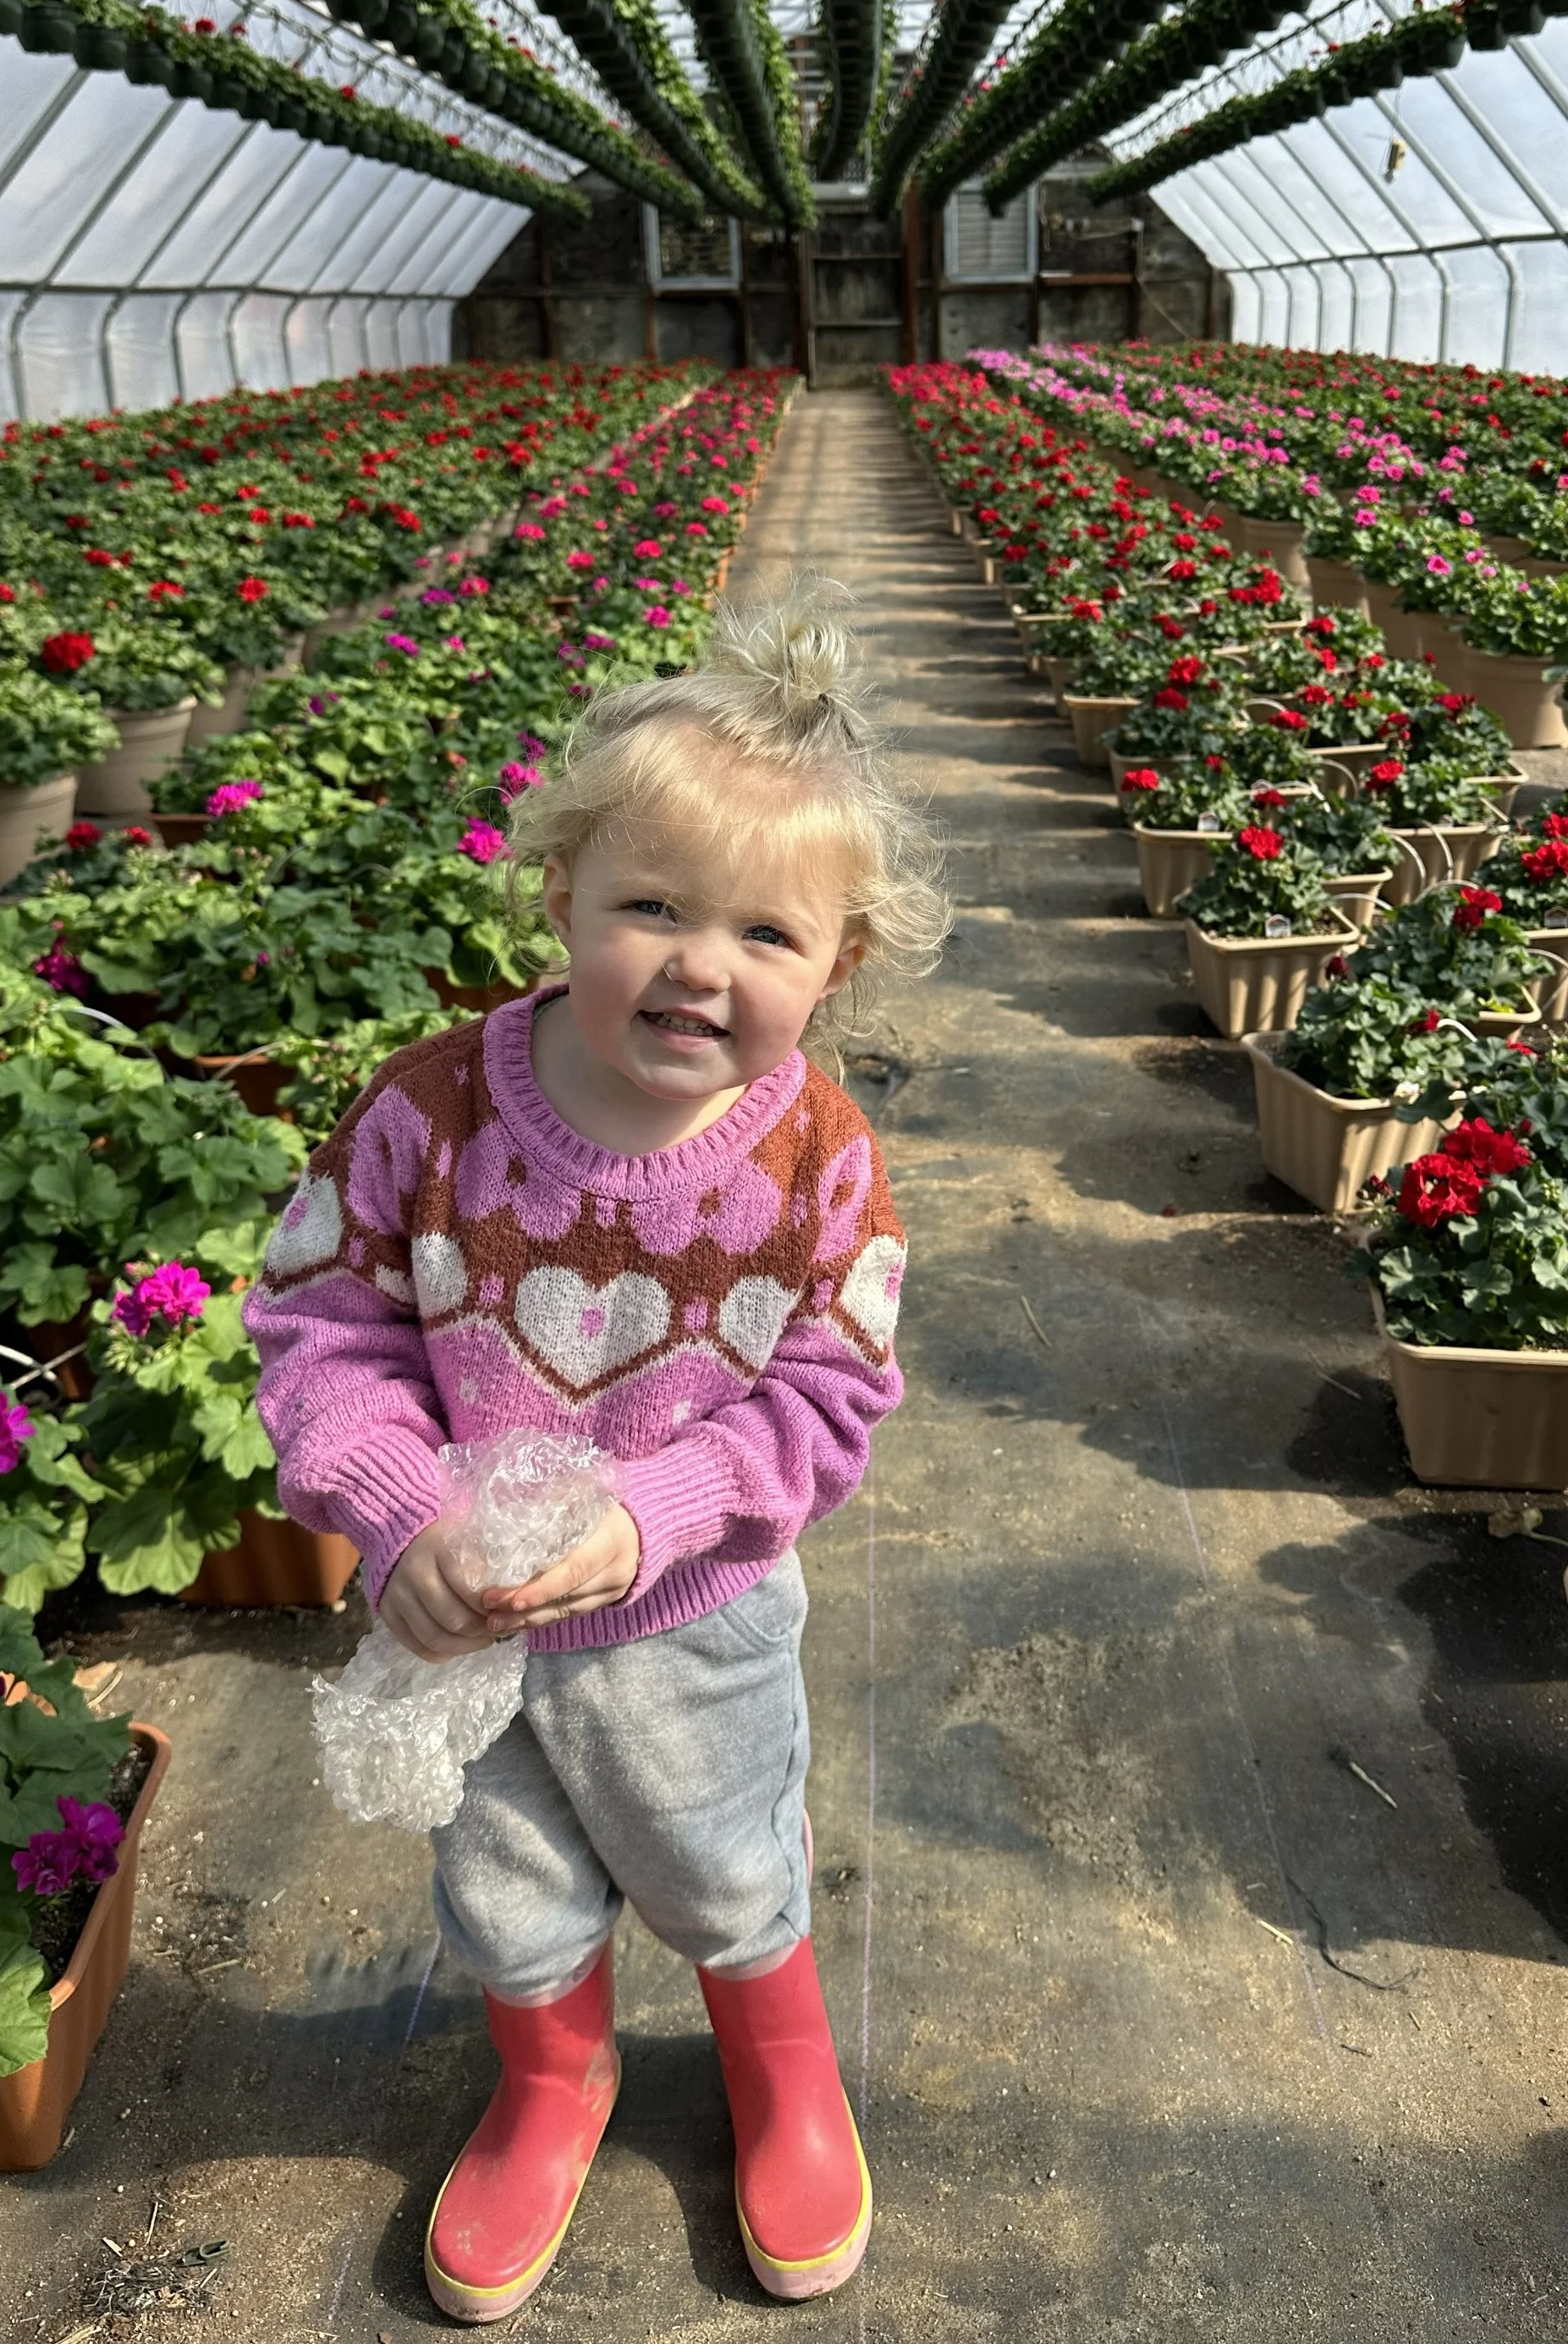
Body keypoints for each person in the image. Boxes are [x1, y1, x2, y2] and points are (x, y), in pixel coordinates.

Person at [245, 583, 949, 2324]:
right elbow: (317, 1318)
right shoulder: (430, 1110)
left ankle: (783, 2074)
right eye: (649, 907)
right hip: (462, 1614)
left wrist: (655, 1511)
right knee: (503, 1882)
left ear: (837, 963)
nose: (701, 965)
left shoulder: (820, 1165)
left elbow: (829, 1393)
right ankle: (550, 2079)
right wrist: (398, 1507)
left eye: (766, 937)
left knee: (723, 1858)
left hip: (689, 1618)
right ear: (555, 890)